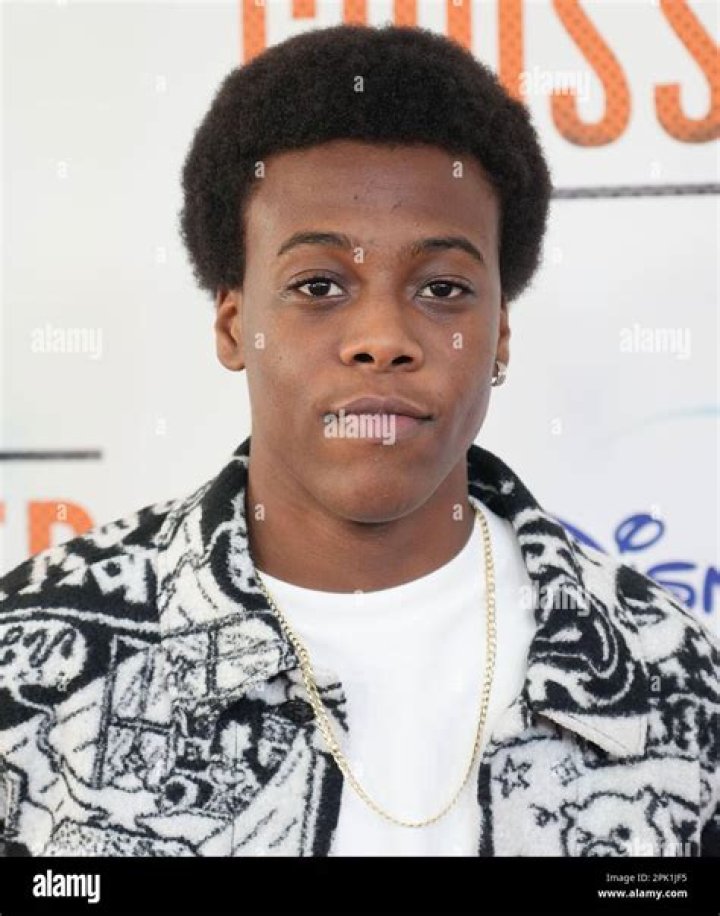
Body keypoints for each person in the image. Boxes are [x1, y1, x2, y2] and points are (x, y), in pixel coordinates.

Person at [0, 23, 717, 859]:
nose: (382, 339)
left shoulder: (669, 673)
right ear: (233, 325)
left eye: (442, 288)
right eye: (318, 285)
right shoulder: (31, 660)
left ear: (499, 334)